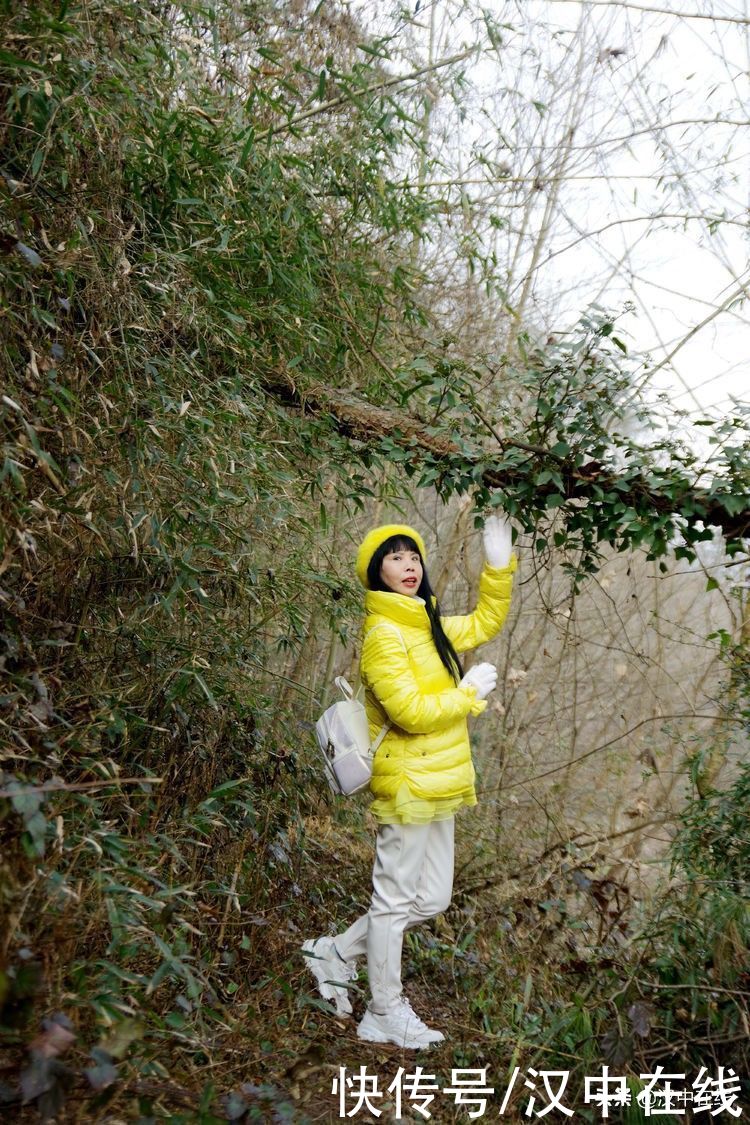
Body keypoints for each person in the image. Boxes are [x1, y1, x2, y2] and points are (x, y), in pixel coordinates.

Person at [302, 515, 517, 1049]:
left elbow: (486, 621)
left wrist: (497, 566)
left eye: (414, 556)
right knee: (395, 902)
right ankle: (383, 1011)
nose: (409, 565)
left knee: (431, 900)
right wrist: (466, 694)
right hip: (405, 783)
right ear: (377, 572)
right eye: (395, 557)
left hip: (439, 781)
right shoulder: (383, 633)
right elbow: (410, 711)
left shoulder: (428, 622)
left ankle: (333, 953)